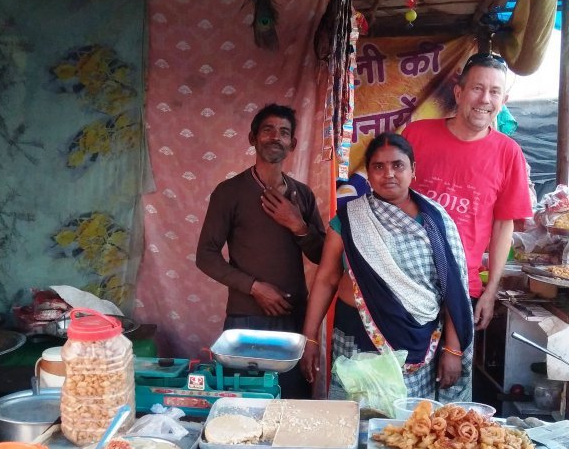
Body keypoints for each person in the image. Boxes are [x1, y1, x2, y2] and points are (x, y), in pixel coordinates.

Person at [300, 133, 474, 402]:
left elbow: (453, 290)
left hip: (417, 341)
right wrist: (309, 337)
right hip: (355, 340)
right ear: (368, 173)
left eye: (397, 165)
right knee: (353, 419)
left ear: (413, 170)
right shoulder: (350, 218)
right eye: (378, 167)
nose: (388, 174)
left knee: (407, 428)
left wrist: (453, 348)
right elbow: (326, 279)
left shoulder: (437, 223)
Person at [196, 103, 326, 398]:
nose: (275, 137)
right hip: (246, 319)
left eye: (283, 132)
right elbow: (205, 255)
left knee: (293, 403)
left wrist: (298, 225)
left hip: (294, 318)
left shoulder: (302, 194)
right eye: (267, 130)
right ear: (252, 137)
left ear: (292, 144)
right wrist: (254, 287)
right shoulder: (229, 192)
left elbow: (320, 255)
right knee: (246, 402)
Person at [403, 53, 533, 329]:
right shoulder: (416, 135)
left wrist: (491, 291)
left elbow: (503, 226)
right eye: (477, 88)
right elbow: (391, 202)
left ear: (503, 102)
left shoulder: (509, 154)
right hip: (405, 281)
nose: (485, 99)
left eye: (494, 91)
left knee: (453, 368)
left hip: (464, 288)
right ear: (459, 93)